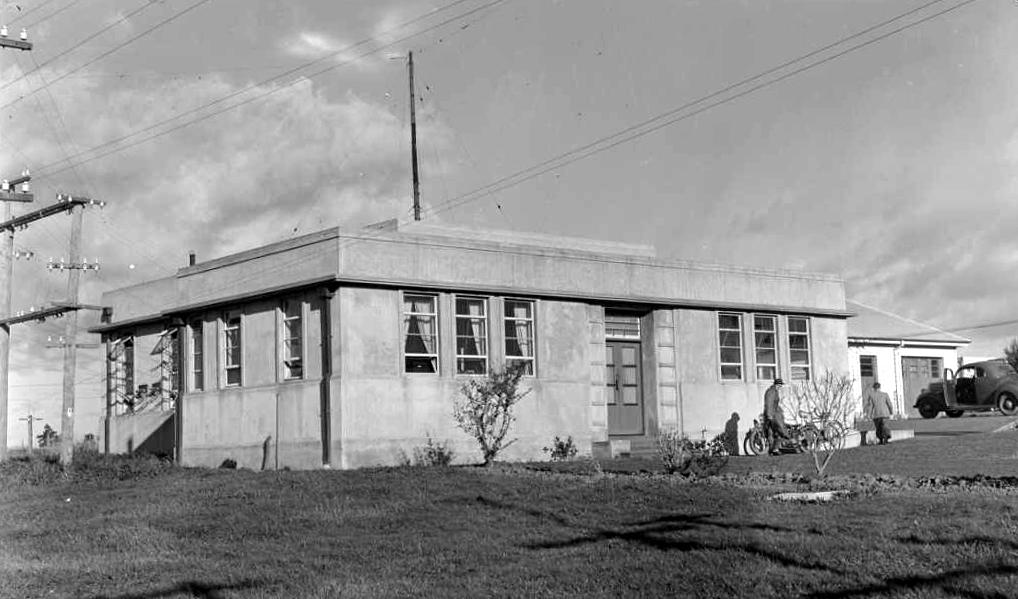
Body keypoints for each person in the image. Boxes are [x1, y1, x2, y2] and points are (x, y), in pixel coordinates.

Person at [763, 378, 790, 455]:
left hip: (773, 414)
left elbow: (774, 404)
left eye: (780, 385)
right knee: (779, 431)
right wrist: (769, 415)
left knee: (773, 432)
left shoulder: (774, 391)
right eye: (779, 385)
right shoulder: (771, 392)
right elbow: (769, 404)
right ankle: (774, 449)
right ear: (776, 385)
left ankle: (773, 450)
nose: (780, 387)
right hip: (772, 415)